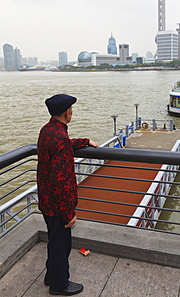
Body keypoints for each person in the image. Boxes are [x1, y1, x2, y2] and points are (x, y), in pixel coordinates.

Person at [37, 94, 98, 296]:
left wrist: (84, 141)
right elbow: (61, 181)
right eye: (71, 109)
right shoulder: (60, 138)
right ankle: (59, 285)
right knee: (61, 245)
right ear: (67, 112)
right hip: (57, 205)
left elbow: (62, 145)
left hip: (46, 200)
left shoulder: (47, 131)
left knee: (55, 242)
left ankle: (51, 276)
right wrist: (68, 213)